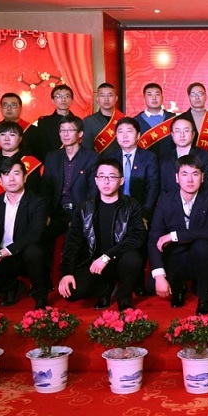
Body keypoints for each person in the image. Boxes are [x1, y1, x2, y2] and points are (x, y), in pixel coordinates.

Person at [57, 158, 146, 310]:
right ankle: (106, 289)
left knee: (133, 259)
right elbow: (72, 242)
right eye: (102, 177)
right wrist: (66, 272)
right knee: (71, 292)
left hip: (119, 259)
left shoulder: (132, 206)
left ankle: (124, 297)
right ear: (96, 180)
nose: (106, 181)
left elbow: (137, 237)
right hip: (94, 261)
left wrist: (107, 256)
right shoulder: (85, 207)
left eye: (111, 177)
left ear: (121, 181)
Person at [0, 157, 49, 309]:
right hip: (3, 257)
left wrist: (0, 254)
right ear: (0, 180)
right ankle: (14, 287)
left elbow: (34, 235)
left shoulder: (37, 202)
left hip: (25, 254)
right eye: (6, 174)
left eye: (16, 174)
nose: (11, 179)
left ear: (25, 177)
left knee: (33, 252)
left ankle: (41, 295)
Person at [148, 155, 208, 314]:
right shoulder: (165, 200)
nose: (190, 180)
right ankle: (179, 288)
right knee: (151, 285)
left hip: (199, 255)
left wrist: (174, 236)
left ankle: (204, 299)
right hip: (175, 255)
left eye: (195, 174)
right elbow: (154, 238)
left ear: (202, 177)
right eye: (184, 174)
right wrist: (159, 275)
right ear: (177, 178)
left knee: (204, 247)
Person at [41, 115, 98, 273]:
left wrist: (80, 217)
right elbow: (46, 189)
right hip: (57, 211)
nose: (65, 134)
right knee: (40, 235)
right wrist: (45, 214)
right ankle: (44, 281)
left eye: (70, 130)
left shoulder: (92, 158)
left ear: (80, 134)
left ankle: (74, 276)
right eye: (62, 130)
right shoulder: (52, 157)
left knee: (76, 238)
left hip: (80, 211)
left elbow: (93, 191)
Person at [107, 117, 160, 221]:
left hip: (140, 211)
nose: (125, 136)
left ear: (138, 135)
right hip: (113, 211)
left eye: (129, 131)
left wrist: (144, 215)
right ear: (116, 136)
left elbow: (152, 188)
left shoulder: (149, 158)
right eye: (120, 132)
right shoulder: (110, 158)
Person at [0, 121, 44, 199]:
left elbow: (36, 190)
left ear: (20, 138)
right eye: (2, 134)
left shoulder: (30, 161)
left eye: (12, 135)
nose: (6, 138)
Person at [159, 115, 208, 193]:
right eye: (177, 131)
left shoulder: (205, 157)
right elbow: (162, 189)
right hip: (170, 200)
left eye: (186, 131)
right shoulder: (164, 159)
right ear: (172, 135)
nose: (182, 135)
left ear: (193, 134)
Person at [0, 92, 39, 158]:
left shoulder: (33, 131)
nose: (9, 108)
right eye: (5, 105)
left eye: (13, 105)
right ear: (1, 108)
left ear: (20, 108)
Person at [34, 85, 78, 159]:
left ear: (72, 100)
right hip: (51, 162)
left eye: (67, 96)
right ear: (52, 100)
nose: (63, 100)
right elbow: (41, 148)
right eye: (58, 96)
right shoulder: (44, 122)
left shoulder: (78, 122)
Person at [135, 83, 176, 159]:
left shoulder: (173, 119)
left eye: (157, 94)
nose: (154, 98)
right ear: (144, 98)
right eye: (150, 95)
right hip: (145, 163)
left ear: (162, 98)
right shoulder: (136, 121)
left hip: (170, 162)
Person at [82, 82, 125, 154]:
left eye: (110, 95)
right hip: (98, 160)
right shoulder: (88, 121)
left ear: (116, 98)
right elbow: (86, 149)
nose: (106, 99)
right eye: (102, 96)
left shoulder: (124, 120)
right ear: (97, 99)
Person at [183, 82, 208, 152]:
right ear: (189, 97)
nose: (197, 97)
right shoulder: (181, 119)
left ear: (206, 96)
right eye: (193, 95)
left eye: (200, 94)